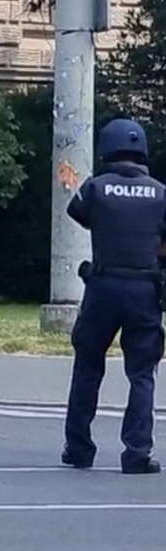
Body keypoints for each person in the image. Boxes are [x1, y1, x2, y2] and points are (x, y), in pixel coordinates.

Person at [62, 117, 166, 474]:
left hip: (103, 288)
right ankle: (136, 453)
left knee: (88, 365)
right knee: (142, 373)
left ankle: (78, 448)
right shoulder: (160, 192)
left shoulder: (96, 187)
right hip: (144, 289)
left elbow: (79, 214)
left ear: (107, 149)